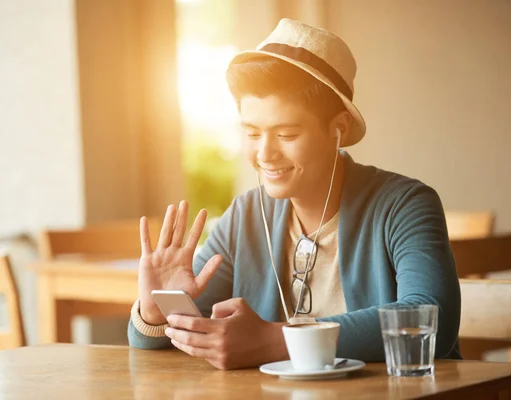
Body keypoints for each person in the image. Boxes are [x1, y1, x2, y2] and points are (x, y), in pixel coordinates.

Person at [127, 18, 461, 370]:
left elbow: (430, 316)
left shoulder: (404, 204)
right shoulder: (246, 216)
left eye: (286, 135)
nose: (265, 154)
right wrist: (156, 308)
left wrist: (274, 340)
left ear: (337, 130)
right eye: (253, 134)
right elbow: (173, 338)